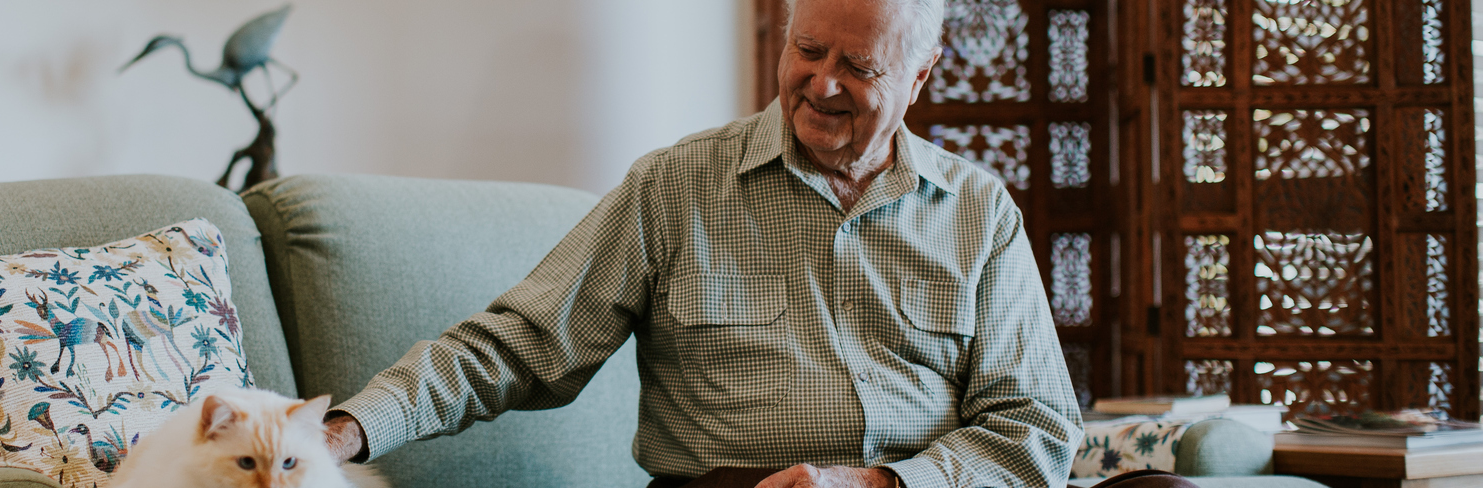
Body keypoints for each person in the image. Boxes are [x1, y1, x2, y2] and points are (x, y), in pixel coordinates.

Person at [321, 0, 1180, 487]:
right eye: (807, 50)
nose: (823, 82)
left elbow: (1033, 422)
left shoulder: (977, 210)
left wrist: (880, 485)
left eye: (861, 67)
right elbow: (520, 342)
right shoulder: (676, 186)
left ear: (920, 76)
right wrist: (350, 427)